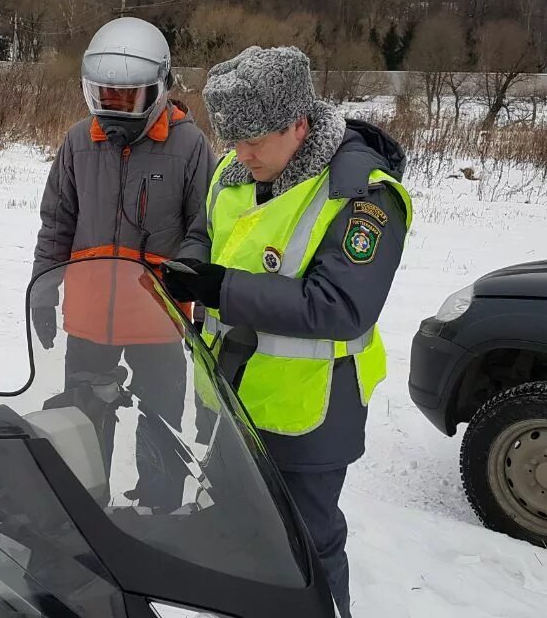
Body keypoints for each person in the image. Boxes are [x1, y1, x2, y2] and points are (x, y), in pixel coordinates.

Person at [163, 46, 411, 618]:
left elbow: (341, 306)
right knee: (242, 531)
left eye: (255, 140)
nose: (240, 153)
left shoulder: (362, 195)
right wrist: (189, 266)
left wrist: (220, 287)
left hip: (311, 411)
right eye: (234, 139)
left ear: (298, 123)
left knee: (308, 546)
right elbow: (207, 229)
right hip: (230, 392)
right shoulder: (234, 171)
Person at [31, 16, 215, 509]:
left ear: (157, 88)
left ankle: (158, 505)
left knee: (161, 419)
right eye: (103, 95)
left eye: (125, 97)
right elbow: (57, 223)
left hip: (157, 318)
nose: (112, 108)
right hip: (90, 317)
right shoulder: (77, 142)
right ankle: (86, 506)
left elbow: (203, 229)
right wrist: (43, 291)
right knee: (82, 420)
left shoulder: (189, 145)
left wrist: (194, 301)